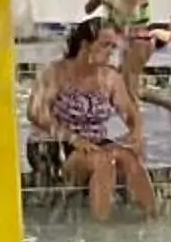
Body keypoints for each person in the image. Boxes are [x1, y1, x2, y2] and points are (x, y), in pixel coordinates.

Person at [29, 19, 157, 221]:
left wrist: (136, 133)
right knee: (103, 162)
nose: (111, 52)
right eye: (105, 45)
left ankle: (152, 221)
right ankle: (101, 230)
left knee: (129, 159)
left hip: (94, 143)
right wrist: (73, 138)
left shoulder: (109, 77)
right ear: (85, 45)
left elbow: (131, 114)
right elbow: (36, 112)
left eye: (113, 46)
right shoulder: (56, 73)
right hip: (55, 144)